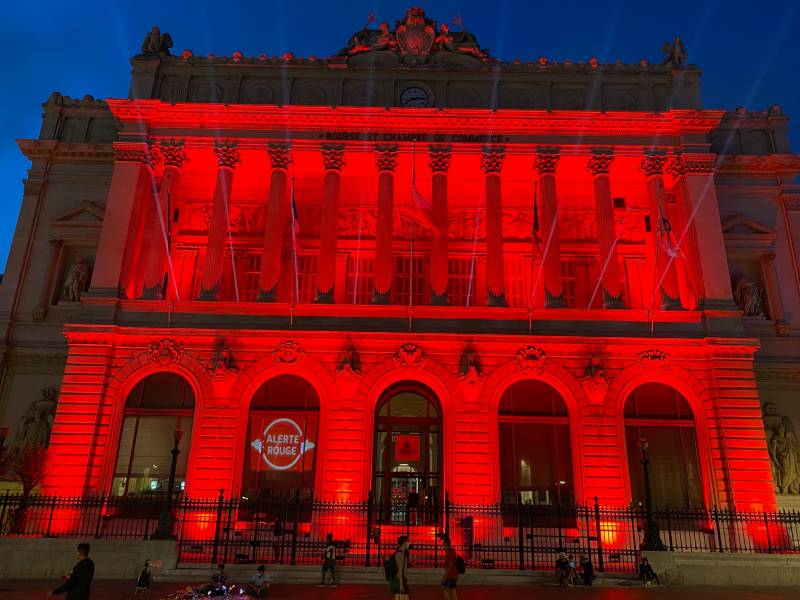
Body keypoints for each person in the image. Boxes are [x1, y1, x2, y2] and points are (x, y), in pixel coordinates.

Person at [440, 534, 458, 600]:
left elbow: (450, 565)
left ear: (447, 544)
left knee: (450, 591)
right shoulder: (449, 552)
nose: (443, 547)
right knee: (448, 589)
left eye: (444, 545)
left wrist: (445, 576)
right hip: (451, 575)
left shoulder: (450, 552)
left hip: (451, 575)